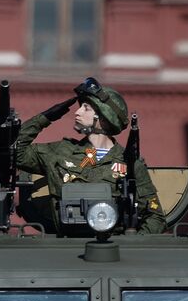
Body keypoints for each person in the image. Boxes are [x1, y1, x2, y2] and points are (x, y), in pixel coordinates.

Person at [15, 77, 166, 234]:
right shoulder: (61, 152)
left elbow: (155, 218)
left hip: (111, 249)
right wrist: (46, 118)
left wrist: (129, 245)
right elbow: (15, 152)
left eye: (86, 108)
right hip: (64, 247)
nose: (77, 112)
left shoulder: (129, 163)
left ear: (103, 116)